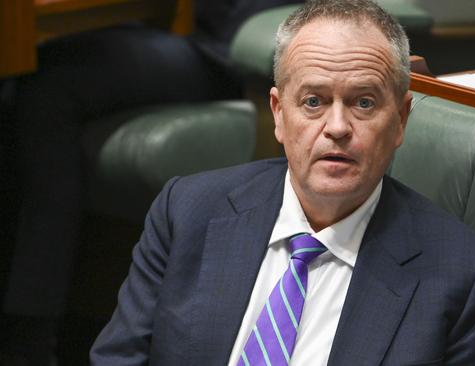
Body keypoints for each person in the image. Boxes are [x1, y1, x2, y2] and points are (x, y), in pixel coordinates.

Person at [90, 0, 475, 364]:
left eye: (363, 103)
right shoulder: (187, 211)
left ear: (401, 120)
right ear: (278, 113)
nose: (337, 127)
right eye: (313, 102)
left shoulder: (464, 278)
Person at [0, 1, 302, 365]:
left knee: (43, 83)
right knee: (23, 69)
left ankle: (27, 336)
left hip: (225, 44)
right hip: (155, 24)